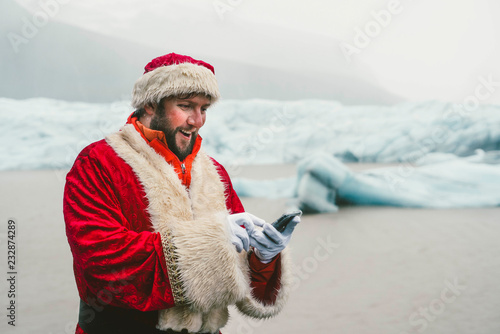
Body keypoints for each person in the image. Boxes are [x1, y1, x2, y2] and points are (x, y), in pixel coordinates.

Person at [63, 53, 299, 334]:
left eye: (204, 109)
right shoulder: (99, 163)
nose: (197, 120)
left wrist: (262, 258)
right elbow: (101, 260)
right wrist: (212, 242)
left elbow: (237, 274)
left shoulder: (215, 172)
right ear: (150, 103)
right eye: (186, 106)